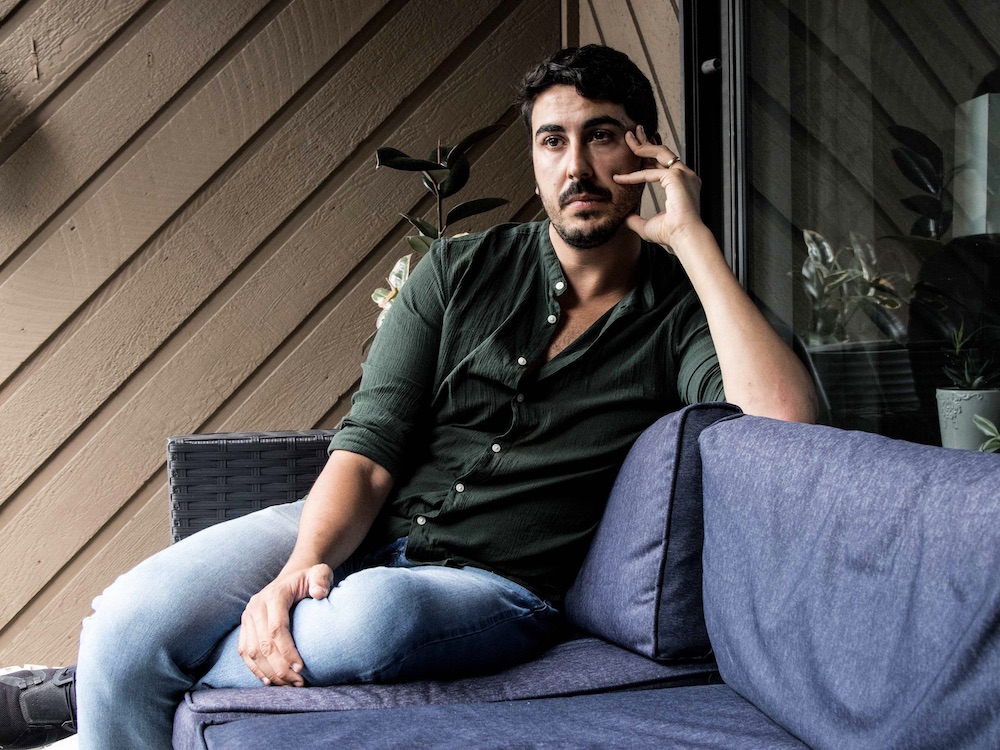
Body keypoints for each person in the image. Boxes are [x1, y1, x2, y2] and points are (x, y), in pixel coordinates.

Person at [0, 44, 816, 749]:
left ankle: (101, 693)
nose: (575, 167)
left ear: (643, 152)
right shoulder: (457, 272)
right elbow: (370, 449)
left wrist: (695, 242)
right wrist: (295, 573)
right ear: (533, 160)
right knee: (126, 623)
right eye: (552, 141)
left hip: (490, 585)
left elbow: (785, 422)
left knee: (369, 623)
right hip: (367, 526)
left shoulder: (678, 311)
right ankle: (116, 672)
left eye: (601, 137)